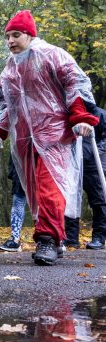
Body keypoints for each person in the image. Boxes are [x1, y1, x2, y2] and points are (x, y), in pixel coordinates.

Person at [0, 10, 99, 266]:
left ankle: (47, 239)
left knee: (50, 187)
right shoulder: (9, 69)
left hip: (54, 135)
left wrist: (81, 116)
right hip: (25, 139)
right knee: (37, 193)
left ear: (29, 34)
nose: (10, 41)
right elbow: (6, 105)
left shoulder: (52, 55)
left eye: (15, 35)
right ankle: (56, 239)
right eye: (7, 37)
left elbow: (75, 84)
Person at [64, 102, 106, 250]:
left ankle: (99, 238)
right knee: (71, 200)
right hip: (73, 165)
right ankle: (71, 237)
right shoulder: (69, 114)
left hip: (95, 166)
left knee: (99, 202)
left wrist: (95, 152)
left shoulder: (100, 114)